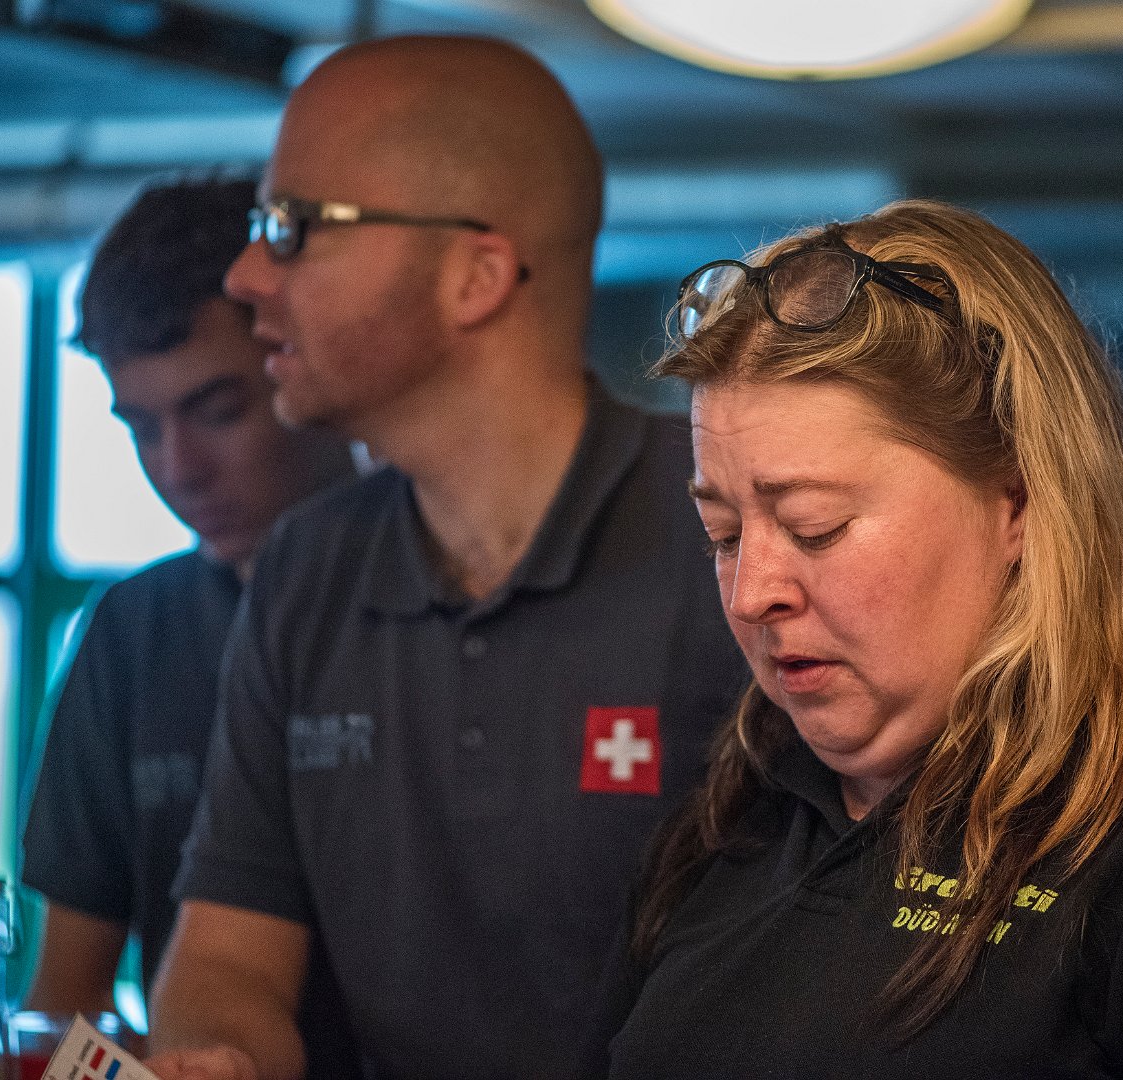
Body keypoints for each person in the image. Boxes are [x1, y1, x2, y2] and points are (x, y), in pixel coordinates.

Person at [603, 200, 1123, 1078]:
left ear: (1015, 502)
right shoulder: (745, 800)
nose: (752, 594)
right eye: (723, 535)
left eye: (814, 527)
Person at [146, 36, 747, 1080]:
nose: (244, 278)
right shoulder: (307, 568)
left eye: (292, 228)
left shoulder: (734, 529)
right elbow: (227, 953)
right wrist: (217, 1056)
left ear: (476, 276)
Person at [19, 178, 355, 1040]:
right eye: (141, 427)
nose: (178, 468)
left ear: (300, 361)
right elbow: (63, 1008)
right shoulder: (132, 636)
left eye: (219, 411)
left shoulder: (435, 598)